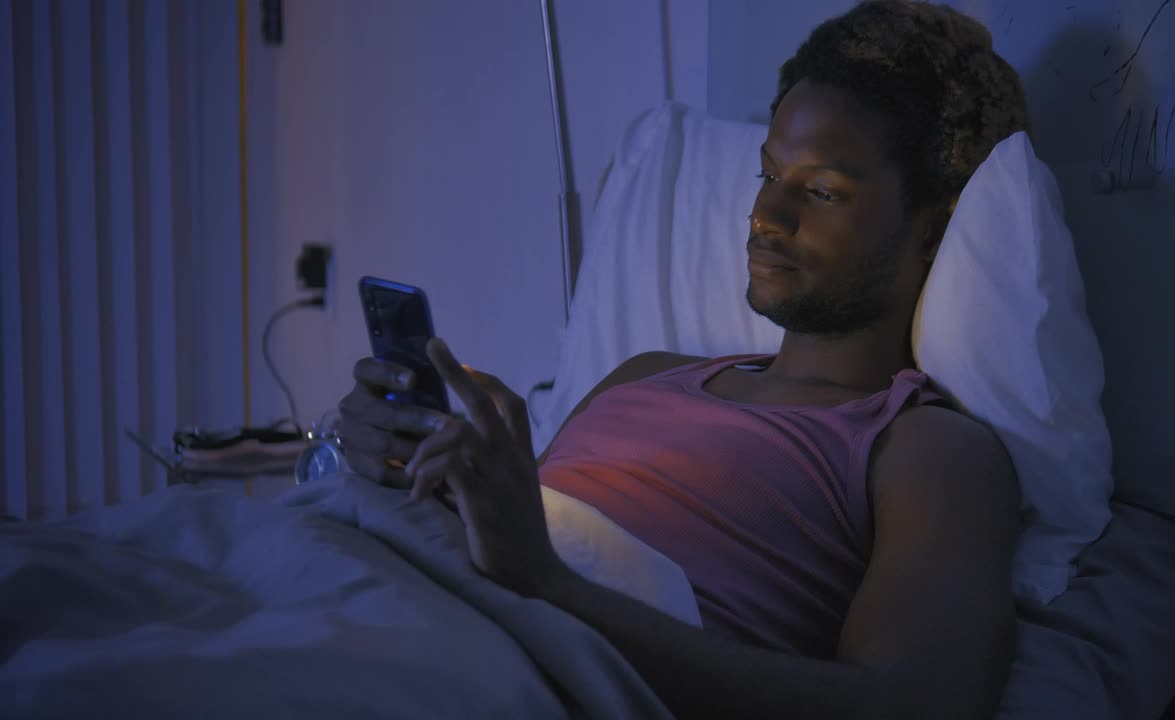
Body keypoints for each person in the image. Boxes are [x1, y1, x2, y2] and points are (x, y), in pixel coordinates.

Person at [338, 1, 1031, 717]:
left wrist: (547, 585)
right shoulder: (643, 375)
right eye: (769, 177)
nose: (767, 216)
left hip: (517, 666)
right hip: (399, 595)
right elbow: (510, 538)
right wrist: (404, 464)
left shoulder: (925, 451)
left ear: (933, 229)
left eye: (821, 191)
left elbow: (904, 705)